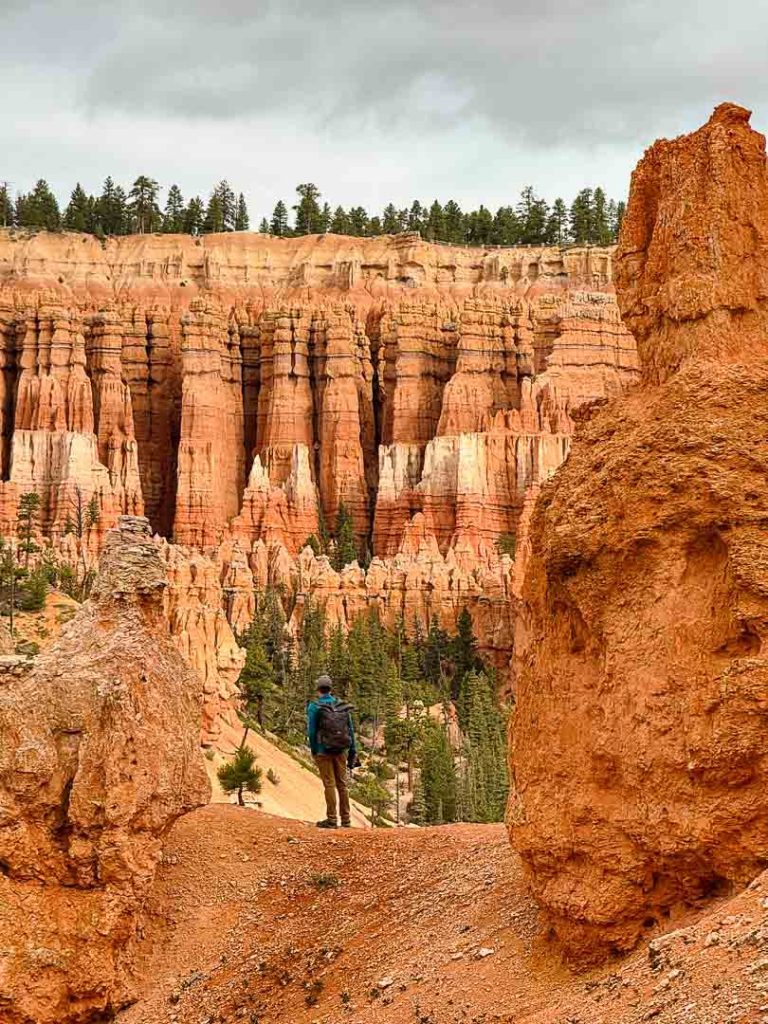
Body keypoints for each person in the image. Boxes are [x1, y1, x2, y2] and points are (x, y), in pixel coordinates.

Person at [307, 674, 356, 829]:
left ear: (318, 689)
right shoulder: (340, 706)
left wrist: (315, 750)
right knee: (342, 784)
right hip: (341, 750)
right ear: (330, 688)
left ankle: (332, 819)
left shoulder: (314, 706)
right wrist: (352, 750)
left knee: (329, 784)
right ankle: (346, 820)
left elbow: (312, 731)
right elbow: (350, 729)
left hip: (323, 750)